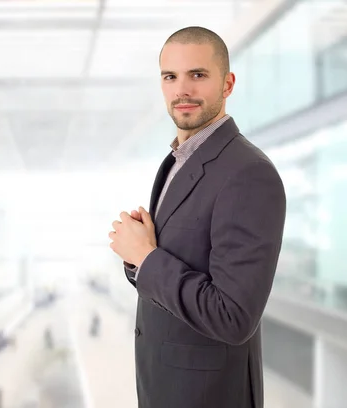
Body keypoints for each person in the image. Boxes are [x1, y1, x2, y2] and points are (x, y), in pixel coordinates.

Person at [108, 26, 286, 408]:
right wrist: (138, 258)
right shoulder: (178, 160)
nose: (182, 90)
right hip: (166, 387)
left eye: (198, 75)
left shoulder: (248, 173)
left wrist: (147, 257)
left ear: (227, 84)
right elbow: (173, 265)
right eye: (170, 76)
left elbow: (233, 316)